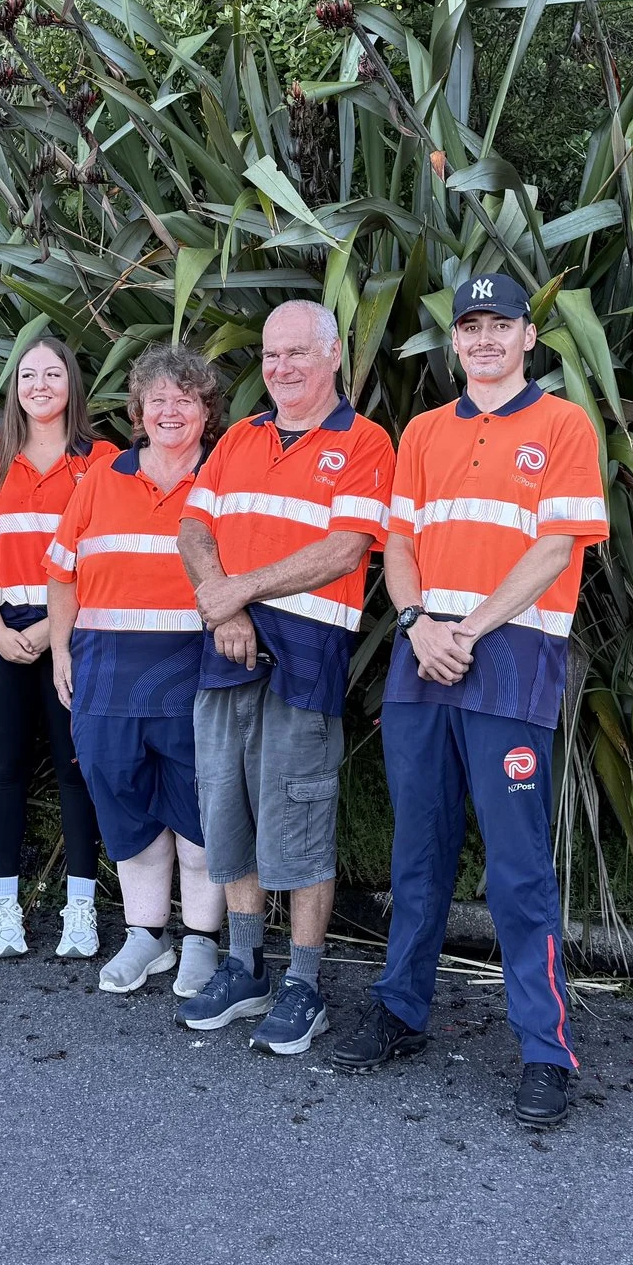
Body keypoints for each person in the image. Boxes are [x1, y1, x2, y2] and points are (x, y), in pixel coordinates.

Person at [329, 274, 609, 1130]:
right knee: (419, 851)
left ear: (530, 336)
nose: (485, 339)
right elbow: (399, 541)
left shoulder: (562, 425)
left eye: (501, 324)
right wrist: (418, 623)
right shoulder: (421, 432)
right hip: (424, 656)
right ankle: (401, 1008)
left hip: (510, 659)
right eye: (471, 326)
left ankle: (544, 1049)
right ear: (456, 341)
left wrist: (469, 628)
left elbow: (555, 548)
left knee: (518, 866)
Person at [176, 300, 394, 1055]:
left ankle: (304, 980)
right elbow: (194, 527)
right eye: (271, 355)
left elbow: (344, 549)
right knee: (226, 809)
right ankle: (246, 966)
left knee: (297, 822)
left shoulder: (365, 442)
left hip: (305, 660)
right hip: (224, 650)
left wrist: (241, 590)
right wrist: (223, 603)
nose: (281, 368)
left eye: (297, 352)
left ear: (333, 355)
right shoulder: (239, 436)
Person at [46, 346, 229, 999]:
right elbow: (61, 572)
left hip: (196, 678)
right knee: (126, 812)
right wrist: (61, 651)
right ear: (138, 410)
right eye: (158, 399)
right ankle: (147, 935)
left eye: (185, 398)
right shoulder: (100, 478)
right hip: (107, 680)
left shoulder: (224, 479)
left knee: (200, 818)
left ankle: (203, 943)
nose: (170, 410)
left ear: (207, 411)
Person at [0, 336, 114, 959]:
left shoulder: (102, 461)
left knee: (78, 770)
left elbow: (105, 557)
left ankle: (80, 910)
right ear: (13, 389)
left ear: (71, 383)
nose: (39, 385)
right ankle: (5, 910)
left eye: (51, 374)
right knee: (4, 771)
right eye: (27, 375)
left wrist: (53, 630)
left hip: (71, 631)